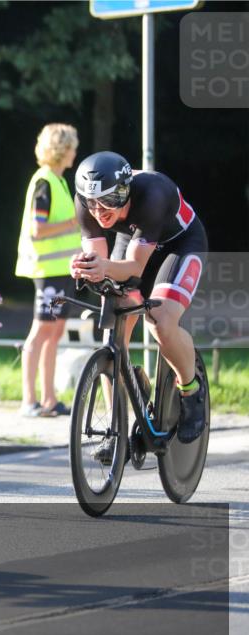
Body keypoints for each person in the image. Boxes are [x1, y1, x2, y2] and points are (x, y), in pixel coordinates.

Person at [70, 151, 208, 450]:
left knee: (160, 321)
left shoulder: (153, 193)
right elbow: (101, 261)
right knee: (112, 332)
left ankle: (190, 389)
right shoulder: (86, 201)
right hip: (133, 240)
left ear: (124, 192)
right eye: (91, 203)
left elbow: (133, 268)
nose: (98, 211)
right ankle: (115, 427)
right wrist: (86, 266)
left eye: (107, 201)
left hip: (178, 245)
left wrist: (103, 267)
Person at [14, 123, 81, 417]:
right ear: (62, 149)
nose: (75, 152)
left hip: (61, 271)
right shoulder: (44, 182)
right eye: (72, 147)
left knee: (55, 332)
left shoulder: (59, 181)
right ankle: (29, 401)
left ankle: (49, 399)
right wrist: (72, 224)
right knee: (41, 331)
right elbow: (38, 229)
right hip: (47, 271)